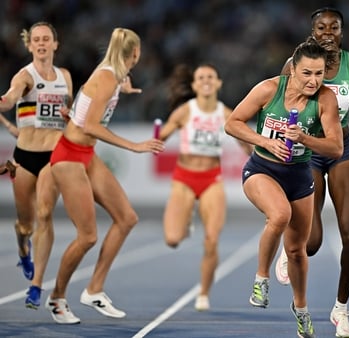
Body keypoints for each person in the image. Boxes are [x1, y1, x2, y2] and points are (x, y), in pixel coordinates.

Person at [225, 36, 342, 338]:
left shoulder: (326, 100)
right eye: (307, 73)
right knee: (279, 215)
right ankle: (261, 279)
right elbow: (233, 122)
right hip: (262, 169)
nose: (314, 80)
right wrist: (266, 141)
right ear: (293, 69)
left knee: (297, 252)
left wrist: (304, 138)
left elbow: (335, 148)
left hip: (299, 177)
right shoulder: (269, 89)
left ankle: (301, 309)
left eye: (319, 74)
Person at [45, 27, 164, 324]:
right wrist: (133, 146)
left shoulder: (113, 74)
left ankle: (94, 290)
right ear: (135, 53)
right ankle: (57, 298)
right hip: (69, 155)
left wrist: (124, 88)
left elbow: (86, 105)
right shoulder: (108, 76)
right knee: (87, 236)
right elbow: (90, 126)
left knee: (127, 218)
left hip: (86, 155)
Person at [276, 8, 349, 337]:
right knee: (313, 242)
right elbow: (278, 106)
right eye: (322, 27)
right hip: (309, 151)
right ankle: (289, 246)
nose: (328, 32)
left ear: (342, 32)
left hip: (342, 149)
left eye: (335, 27)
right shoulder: (295, 66)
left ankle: (341, 310)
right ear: (312, 31)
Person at [158, 63, 252, 311]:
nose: (206, 81)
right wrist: (157, 136)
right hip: (184, 178)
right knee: (172, 239)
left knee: (211, 241)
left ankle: (203, 292)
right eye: (201, 77)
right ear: (194, 85)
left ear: (219, 83)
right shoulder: (184, 112)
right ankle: (186, 217)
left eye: (211, 77)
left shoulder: (226, 114)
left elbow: (246, 142)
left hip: (211, 179)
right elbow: (160, 139)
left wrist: (257, 152)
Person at [0, 22, 73, 310]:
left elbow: (68, 112)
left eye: (46, 39)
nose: (41, 43)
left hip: (53, 157)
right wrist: (4, 102)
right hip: (24, 158)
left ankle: (36, 285)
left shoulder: (65, 76)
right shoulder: (24, 76)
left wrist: (68, 116)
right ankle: (23, 250)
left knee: (45, 213)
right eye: (36, 40)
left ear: (55, 44)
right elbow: (11, 97)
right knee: (25, 224)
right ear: (29, 46)